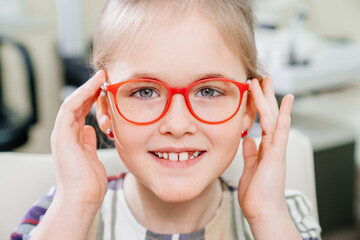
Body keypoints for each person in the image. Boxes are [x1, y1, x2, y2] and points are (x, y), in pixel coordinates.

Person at [11, 0, 321, 239]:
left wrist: (267, 214)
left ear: (249, 109)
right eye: (145, 92)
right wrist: (75, 206)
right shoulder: (60, 210)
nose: (177, 124)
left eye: (209, 91)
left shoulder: (283, 215)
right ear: (104, 108)